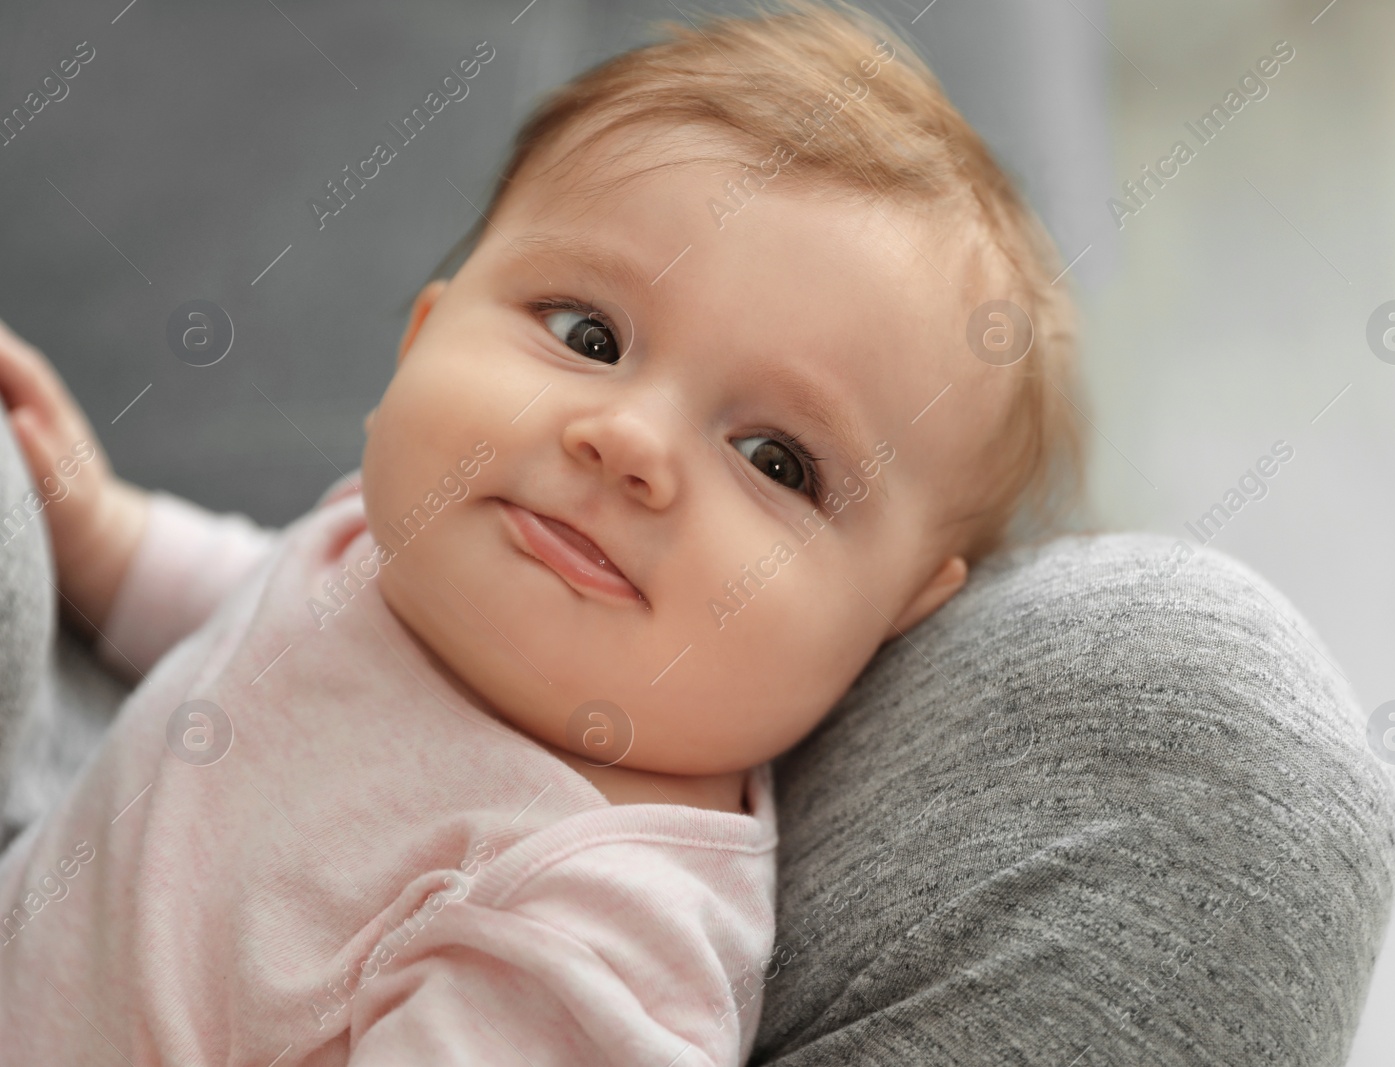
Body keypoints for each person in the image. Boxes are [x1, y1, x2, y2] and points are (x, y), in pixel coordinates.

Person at [0, 2, 1099, 1061]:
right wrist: (103, 535)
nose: (628, 442)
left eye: (776, 461)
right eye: (588, 335)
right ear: (424, 335)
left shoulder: (599, 922)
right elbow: (259, 598)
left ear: (898, 615)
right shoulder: (400, 548)